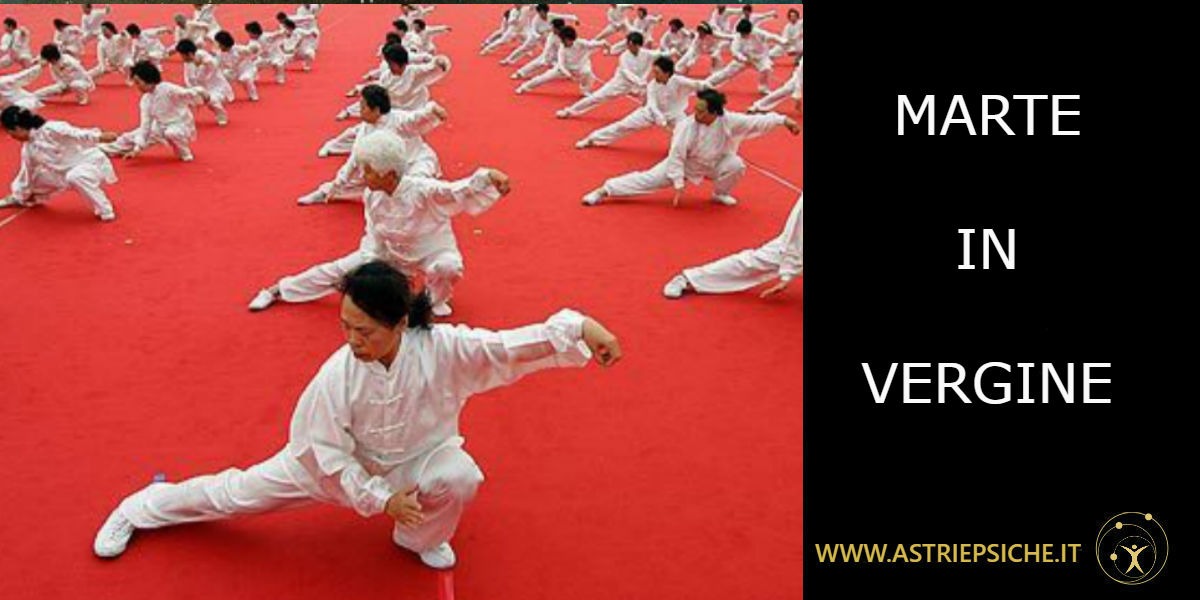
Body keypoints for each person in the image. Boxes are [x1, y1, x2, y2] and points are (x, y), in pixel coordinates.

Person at [96, 260, 622, 569]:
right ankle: (143, 507)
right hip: (333, 467)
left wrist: (579, 329)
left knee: (461, 476)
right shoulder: (337, 375)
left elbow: (504, 348)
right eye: (345, 326)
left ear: (400, 324)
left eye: (364, 331)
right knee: (236, 494)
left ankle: (419, 537)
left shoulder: (442, 348)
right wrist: (378, 498)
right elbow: (323, 452)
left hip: (417, 456)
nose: (352, 340)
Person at [248, 130, 508, 318]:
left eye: (369, 170)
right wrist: (371, 265)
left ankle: (432, 301)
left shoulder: (423, 190)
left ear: (389, 174)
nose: (363, 175)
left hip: (430, 251)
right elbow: (373, 233)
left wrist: (488, 177)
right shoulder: (372, 195)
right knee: (340, 270)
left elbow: (457, 190)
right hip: (389, 252)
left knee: (448, 266)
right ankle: (279, 290)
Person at [581, 89, 799, 207]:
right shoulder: (686, 126)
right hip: (685, 165)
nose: (696, 113)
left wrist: (784, 120)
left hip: (713, 164)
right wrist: (678, 183)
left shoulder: (728, 120)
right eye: (696, 108)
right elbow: (676, 155)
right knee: (648, 179)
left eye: (702, 111)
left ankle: (720, 194)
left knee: (736, 165)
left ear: (715, 113)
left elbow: (756, 122)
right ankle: (604, 191)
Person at [301, 86, 447, 206]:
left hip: (415, 163)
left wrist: (432, 110)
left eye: (363, 107)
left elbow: (416, 117)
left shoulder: (399, 120)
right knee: (360, 186)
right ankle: (326, 192)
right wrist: (337, 184)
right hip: (385, 173)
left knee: (416, 189)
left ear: (376, 110)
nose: (360, 111)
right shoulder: (366, 129)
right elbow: (353, 160)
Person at [663, 194, 802, 299]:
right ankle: (688, 279)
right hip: (795, 245)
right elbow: (796, 236)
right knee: (753, 262)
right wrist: (787, 275)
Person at [0, 106, 119, 222]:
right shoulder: (28, 149)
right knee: (36, 177)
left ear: (18, 128)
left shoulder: (51, 128)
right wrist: (21, 194)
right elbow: (26, 173)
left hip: (90, 164)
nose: (11, 136)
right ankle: (23, 198)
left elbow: (76, 133)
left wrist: (99, 137)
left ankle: (105, 210)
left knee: (75, 176)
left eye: (11, 132)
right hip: (63, 174)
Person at [576, 56, 705, 148]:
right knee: (622, 126)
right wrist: (659, 118)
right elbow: (652, 104)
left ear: (667, 73)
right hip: (650, 113)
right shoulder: (652, 85)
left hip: (675, 115)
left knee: (687, 134)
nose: (654, 75)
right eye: (653, 72)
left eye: (657, 72)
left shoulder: (679, 81)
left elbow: (700, 85)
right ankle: (592, 139)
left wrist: (707, 90)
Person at [100, 61, 208, 162]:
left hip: (180, 124)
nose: (137, 86)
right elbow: (145, 126)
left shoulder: (168, 88)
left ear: (148, 79)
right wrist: (136, 150)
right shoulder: (145, 100)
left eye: (138, 82)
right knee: (130, 137)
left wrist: (201, 92)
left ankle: (184, 152)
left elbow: (186, 93)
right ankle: (104, 149)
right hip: (159, 126)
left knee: (171, 133)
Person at [555, 31, 664, 118]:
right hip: (619, 85)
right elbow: (626, 73)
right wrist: (640, 82)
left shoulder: (647, 54)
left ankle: (646, 113)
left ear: (639, 45)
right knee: (596, 97)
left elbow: (662, 54)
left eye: (632, 45)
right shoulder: (624, 57)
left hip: (637, 87)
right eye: (628, 44)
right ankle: (569, 111)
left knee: (653, 93)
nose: (629, 47)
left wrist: (671, 50)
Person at [340, 44, 450, 119]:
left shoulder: (416, 72)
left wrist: (440, 60)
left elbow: (435, 66)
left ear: (402, 63)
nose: (389, 67)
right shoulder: (387, 76)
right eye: (388, 63)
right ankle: (349, 111)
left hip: (414, 112)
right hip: (394, 112)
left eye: (391, 64)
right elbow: (377, 93)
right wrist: (349, 110)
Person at [515, 26, 606, 96]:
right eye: (564, 40)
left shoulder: (580, 43)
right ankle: (524, 87)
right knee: (543, 78)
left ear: (573, 39)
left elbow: (592, 44)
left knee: (588, 73)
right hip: (564, 69)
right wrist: (568, 74)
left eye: (568, 40)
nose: (566, 42)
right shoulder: (562, 49)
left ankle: (585, 90)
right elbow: (561, 64)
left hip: (580, 67)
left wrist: (603, 43)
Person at [705, 18, 785, 94]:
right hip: (744, 58)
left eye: (744, 33)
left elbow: (771, 37)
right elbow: (735, 51)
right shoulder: (738, 37)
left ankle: (763, 87)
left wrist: (782, 41)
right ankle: (708, 83)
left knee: (766, 69)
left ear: (750, 31)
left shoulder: (758, 32)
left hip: (760, 58)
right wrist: (743, 59)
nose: (742, 35)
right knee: (727, 72)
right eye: (741, 33)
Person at [176, 39, 232, 126]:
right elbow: (188, 79)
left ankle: (221, 115)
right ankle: (184, 119)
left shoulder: (205, 57)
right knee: (184, 98)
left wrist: (203, 63)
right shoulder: (187, 62)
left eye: (182, 55)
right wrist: (190, 92)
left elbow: (214, 64)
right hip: (199, 89)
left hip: (217, 89)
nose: (182, 58)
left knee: (211, 101)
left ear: (190, 54)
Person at [499, 3, 575, 66]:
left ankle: (557, 62)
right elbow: (533, 30)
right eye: (541, 12)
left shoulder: (551, 16)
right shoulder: (536, 19)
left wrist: (574, 18)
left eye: (544, 12)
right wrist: (538, 36)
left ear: (546, 11)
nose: (542, 14)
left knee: (555, 48)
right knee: (523, 49)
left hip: (546, 37)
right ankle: (508, 60)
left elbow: (562, 16)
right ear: (538, 12)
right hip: (535, 37)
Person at [214, 30, 260, 101]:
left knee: (245, 78)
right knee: (222, 76)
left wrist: (251, 60)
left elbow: (254, 53)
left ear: (224, 43)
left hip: (246, 70)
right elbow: (218, 65)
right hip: (233, 71)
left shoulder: (240, 49)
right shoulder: (219, 54)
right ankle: (228, 96)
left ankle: (253, 95)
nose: (218, 45)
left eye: (219, 43)